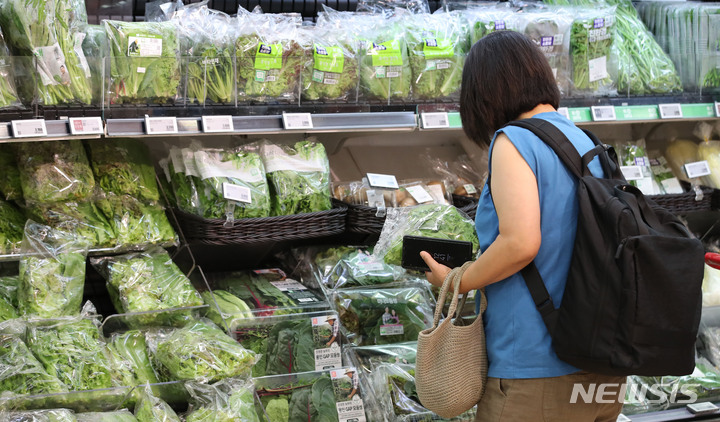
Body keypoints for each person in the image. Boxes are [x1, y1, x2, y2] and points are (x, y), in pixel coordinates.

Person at [419, 30, 625, 421]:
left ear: (483, 94)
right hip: (601, 366)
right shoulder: (586, 142)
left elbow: (520, 243)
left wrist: (458, 279)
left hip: (536, 367)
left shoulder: (514, 141)